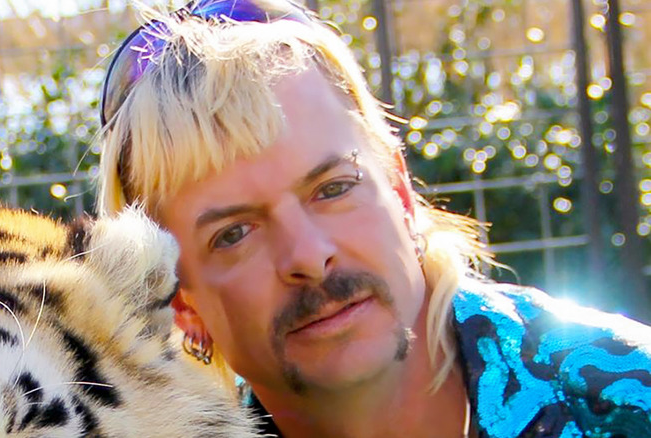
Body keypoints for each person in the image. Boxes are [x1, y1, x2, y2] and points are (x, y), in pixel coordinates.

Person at [95, 1, 651, 436]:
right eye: (234, 233)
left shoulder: (626, 400)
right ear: (181, 305)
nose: (309, 256)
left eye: (333, 188)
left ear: (400, 189)